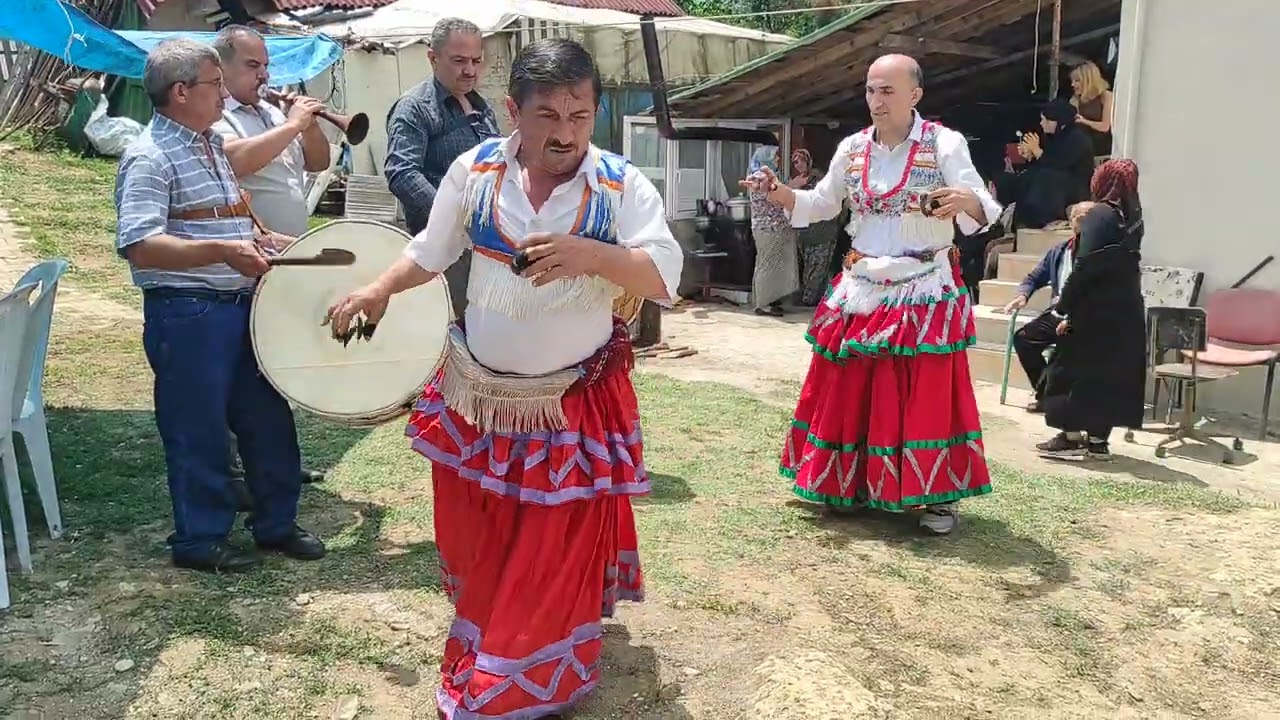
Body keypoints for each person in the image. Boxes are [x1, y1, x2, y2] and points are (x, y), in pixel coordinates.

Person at [325, 38, 681, 718]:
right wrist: (377, 290)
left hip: (569, 402)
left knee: (548, 543)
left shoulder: (618, 184)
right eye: (549, 115)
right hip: (478, 397)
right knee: (481, 535)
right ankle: (492, 636)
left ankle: (520, 677)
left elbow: (666, 277)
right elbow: (431, 252)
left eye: (581, 115)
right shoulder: (475, 171)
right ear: (514, 110)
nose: (567, 133)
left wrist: (592, 255)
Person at [746, 54, 1001, 535]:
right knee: (851, 388)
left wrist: (968, 202)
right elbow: (821, 203)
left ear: (915, 95)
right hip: (862, 284)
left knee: (923, 393)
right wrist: (778, 192)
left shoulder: (944, 143)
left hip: (924, 284)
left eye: (887, 90)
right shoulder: (852, 148)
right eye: (870, 90)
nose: (876, 101)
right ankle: (848, 485)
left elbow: (979, 207)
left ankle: (936, 498)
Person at [114, 38, 325, 572]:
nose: (223, 95)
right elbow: (140, 244)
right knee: (198, 428)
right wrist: (224, 252)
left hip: (240, 305)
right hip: (187, 313)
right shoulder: (148, 156)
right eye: (214, 84)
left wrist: (265, 241)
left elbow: (230, 218)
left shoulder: (207, 143)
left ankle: (275, 524)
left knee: (267, 418)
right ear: (182, 92)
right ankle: (200, 539)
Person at [210, 25, 329, 489]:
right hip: (243, 264)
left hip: (285, 262)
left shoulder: (268, 112)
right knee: (238, 369)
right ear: (221, 68)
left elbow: (317, 163)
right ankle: (235, 469)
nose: (264, 75)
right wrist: (293, 125)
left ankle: (273, 463)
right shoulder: (216, 116)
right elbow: (235, 160)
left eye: (266, 65)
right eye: (252, 65)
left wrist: (311, 123)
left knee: (274, 366)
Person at [384, 18, 500, 320]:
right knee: (456, 332)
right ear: (433, 58)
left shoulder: (482, 107)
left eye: (476, 61)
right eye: (459, 61)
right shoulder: (415, 107)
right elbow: (401, 172)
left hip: (486, 243)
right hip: (442, 249)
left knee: (489, 326)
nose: (470, 70)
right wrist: (452, 218)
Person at [1036, 159, 1147, 459]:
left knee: (1064, 371)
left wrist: (1064, 308)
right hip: (1125, 313)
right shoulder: (1133, 217)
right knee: (1106, 378)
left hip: (1094, 313)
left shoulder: (1099, 215)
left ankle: (1071, 439)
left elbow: (1087, 268)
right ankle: (1098, 443)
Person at [1003, 201, 1096, 413]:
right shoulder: (1060, 250)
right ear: (1071, 224)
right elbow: (1035, 276)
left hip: (1087, 317)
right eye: (1077, 219)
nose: (1081, 224)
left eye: (1087, 219)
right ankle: (1047, 394)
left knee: (1066, 348)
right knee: (1023, 339)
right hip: (1058, 312)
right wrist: (1022, 295)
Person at [997, 99, 1095, 230]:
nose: (1042, 123)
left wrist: (1037, 152)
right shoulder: (1054, 136)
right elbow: (1047, 160)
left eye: (1045, 120)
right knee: (1022, 177)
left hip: (1074, 186)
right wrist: (1031, 155)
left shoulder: (1077, 138)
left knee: (1044, 178)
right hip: (1055, 179)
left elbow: (1060, 164)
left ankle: (1041, 219)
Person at [745, 144, 799, 316]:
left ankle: (770, 300)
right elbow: (773, 197)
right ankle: (762, 303)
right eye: (775, 156)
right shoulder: (759, 177)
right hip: (768, 228)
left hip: (773, 227)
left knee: (772, 265)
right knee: (767, 265)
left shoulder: (766, 176)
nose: (777, 159)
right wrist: (792, 186)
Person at [790, 148, 840, 305]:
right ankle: (813, 298)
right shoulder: (797, 181)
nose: (797, 165)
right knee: (808, 268)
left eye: (800, 161)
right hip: (804, 231)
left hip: (823, 230)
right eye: (794, 162)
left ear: (808, 160)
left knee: (818, 267)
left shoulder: (820, 179)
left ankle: (811, 299)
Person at [1069, 61, 1114, 158]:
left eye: (1077, 81)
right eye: (1072, 81)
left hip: (1102, 150)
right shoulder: (1075, 100)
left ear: (1088, 80)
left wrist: (1084, 121)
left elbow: (1105, 126)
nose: (1072, 84)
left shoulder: (1106, 96)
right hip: (1082, 149)